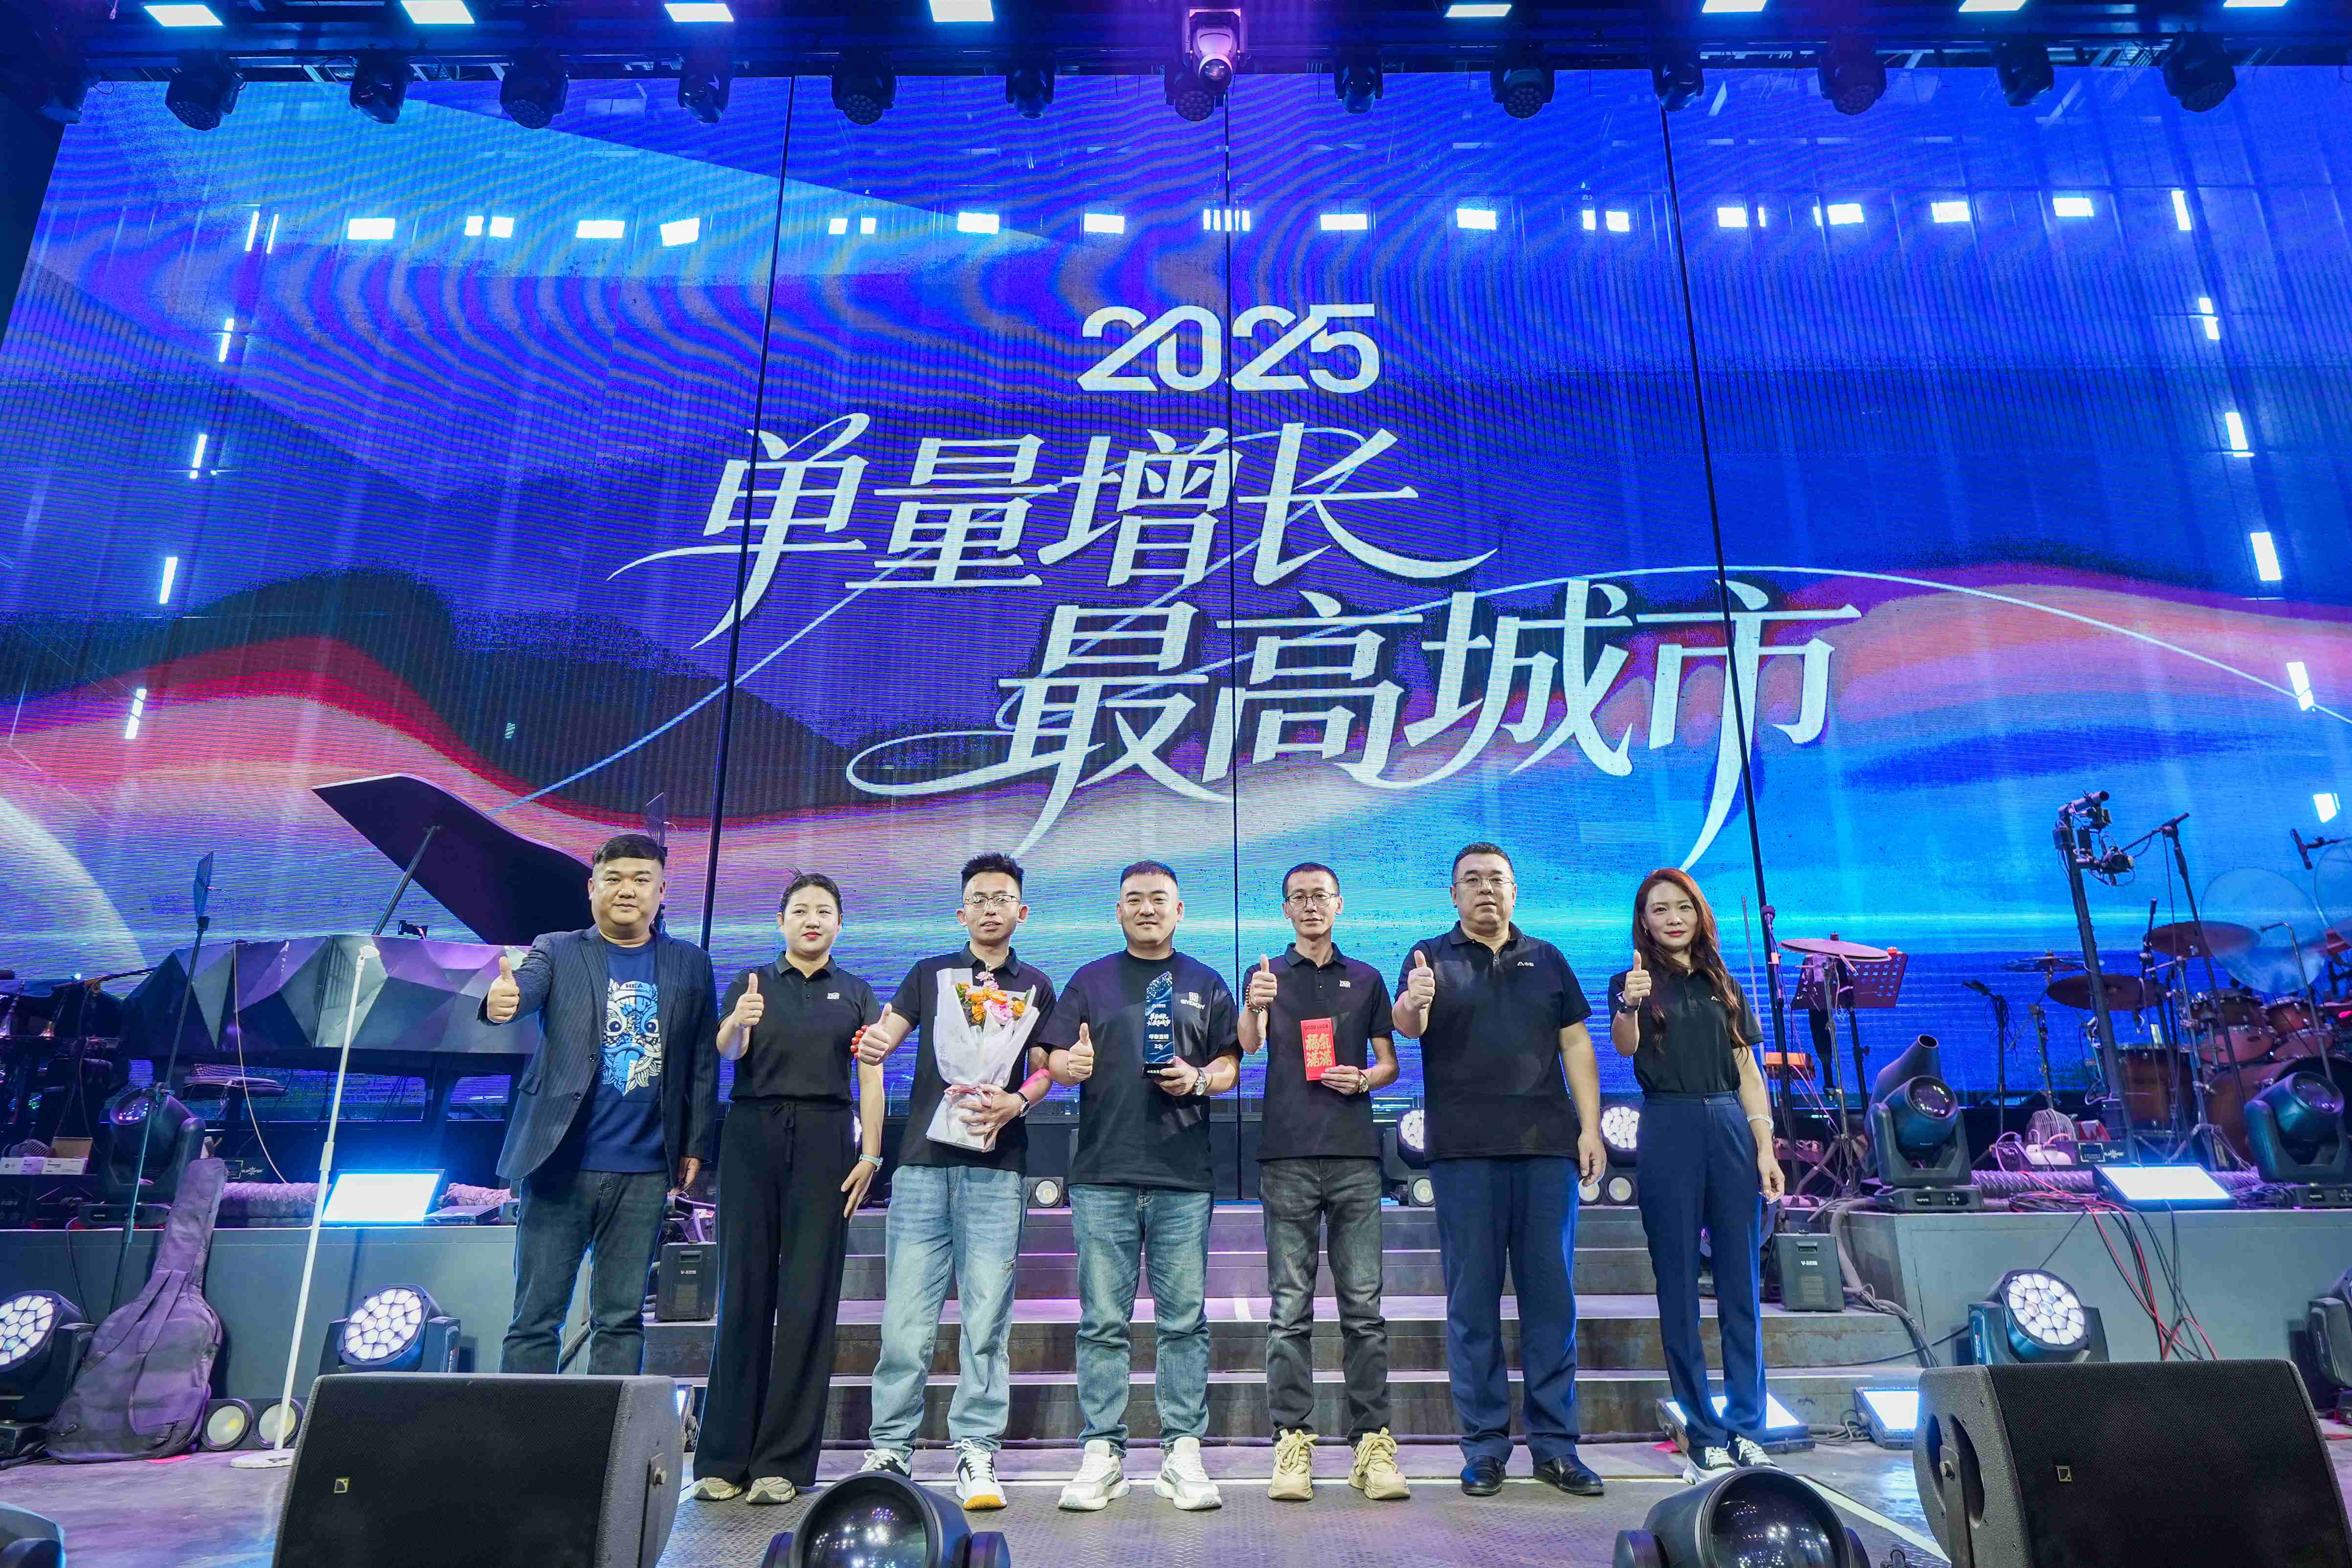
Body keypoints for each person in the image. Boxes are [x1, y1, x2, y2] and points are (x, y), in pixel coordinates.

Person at [1391, 841, 1607, 1500]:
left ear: (1515, 891)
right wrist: (1415, 999)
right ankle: (1484, 1447)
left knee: (1551, 1302)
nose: (1485, 889)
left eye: (1497, 879)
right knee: (1472, 1304)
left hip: (1546, 1150)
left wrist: (1590, 1127)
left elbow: (1575, 1043)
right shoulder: (1429, 956)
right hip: (1463, 1153)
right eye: (1472, 880)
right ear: (1453, 894)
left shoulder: (1548, 958)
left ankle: (1555, 1447)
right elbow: (1407, 1025)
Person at [850, 852, 1059, 1510]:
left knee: (987, 1318)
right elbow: (885, 1035)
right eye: (979, 898)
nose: (991, 908)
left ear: (1021, 911)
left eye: (1002, 898)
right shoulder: (929, 974)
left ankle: (976, 1448)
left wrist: (1016, 1101)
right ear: (961, 911)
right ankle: (891, 1446)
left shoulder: (1038, 985)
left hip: (997, 1167)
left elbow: (1045, 1068)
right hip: (922, 1165)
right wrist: (873, 1044)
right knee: (905, 1318)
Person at [1039, 860, 1241, 1514]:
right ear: (1118, 911)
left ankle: (1182, 1450)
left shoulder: (1205, 981)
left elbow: (1231, 1063)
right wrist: (1067, 1064)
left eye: (1159, 899)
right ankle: (1103, 1452)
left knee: (1184, 1322)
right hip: (1103, 1174)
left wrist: (1200, 1078)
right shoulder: (1089, 980)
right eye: (1134, 899)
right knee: (1103, 1322)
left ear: (1180, 911)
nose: (1146, 908)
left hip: (1182, 1176)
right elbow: (1050, 1056)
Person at [485, 831, 718, 1379]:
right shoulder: (557, 948)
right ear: (592, 888)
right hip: (559, 1160)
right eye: (613, 879)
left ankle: (606, 1432)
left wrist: (696, 1142)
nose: (626, 890)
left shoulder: (691, 963)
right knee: (535, 1319)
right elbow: (524, 989)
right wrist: (504, 1000)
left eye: (641, 879)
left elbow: (702, 1060)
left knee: (621, 1320)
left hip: (644, 1170)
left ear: (661, 892)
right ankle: (516, 1430)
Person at [690, 873, 884, 1506]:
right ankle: (723, 1457)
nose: (812, 920)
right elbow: (728, 1051)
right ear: (781, 921)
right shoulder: (751, 983)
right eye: (800, 910)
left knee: (808, 1297)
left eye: (824, 911)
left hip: (827, 1138)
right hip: (752, 1132)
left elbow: (871, 1077)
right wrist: (737, 1023)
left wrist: (871, 1153)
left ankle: (784, 1462)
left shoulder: (856, 992)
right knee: (743, 1291)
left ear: (839, 923)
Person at [1606, 868, 1786, 1483]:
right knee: (1678, 1283)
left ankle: (1746, 1428)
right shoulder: (1631, 982)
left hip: (1729, 1123)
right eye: (1659, 909)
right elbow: (1624, 1046)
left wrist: (1764, 1148)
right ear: (1644, 920)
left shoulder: (1722, 983)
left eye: (1681, 907)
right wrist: (1629, 1005)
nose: (1672, 918)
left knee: (1740, 1283)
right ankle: (1703, 1435)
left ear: (1698, 913)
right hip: (1668, 1124)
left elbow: (1747, 1071)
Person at [1241, 861, 1409, 1504]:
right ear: (1285, 909)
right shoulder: (1266, 974)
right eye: (1299, 897)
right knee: (1289, 1310)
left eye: (1320, 896)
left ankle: (1372, 1445)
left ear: (1339, 904)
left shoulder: (1365, 977)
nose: (1310, 905)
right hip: (1285, 1155)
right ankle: (1292, 1442)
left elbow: (1389, 1062)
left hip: (1354, 1157)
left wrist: (1364, 1078)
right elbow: (1249, 1045)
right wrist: (1254, 1006)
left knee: (1363, 1308)